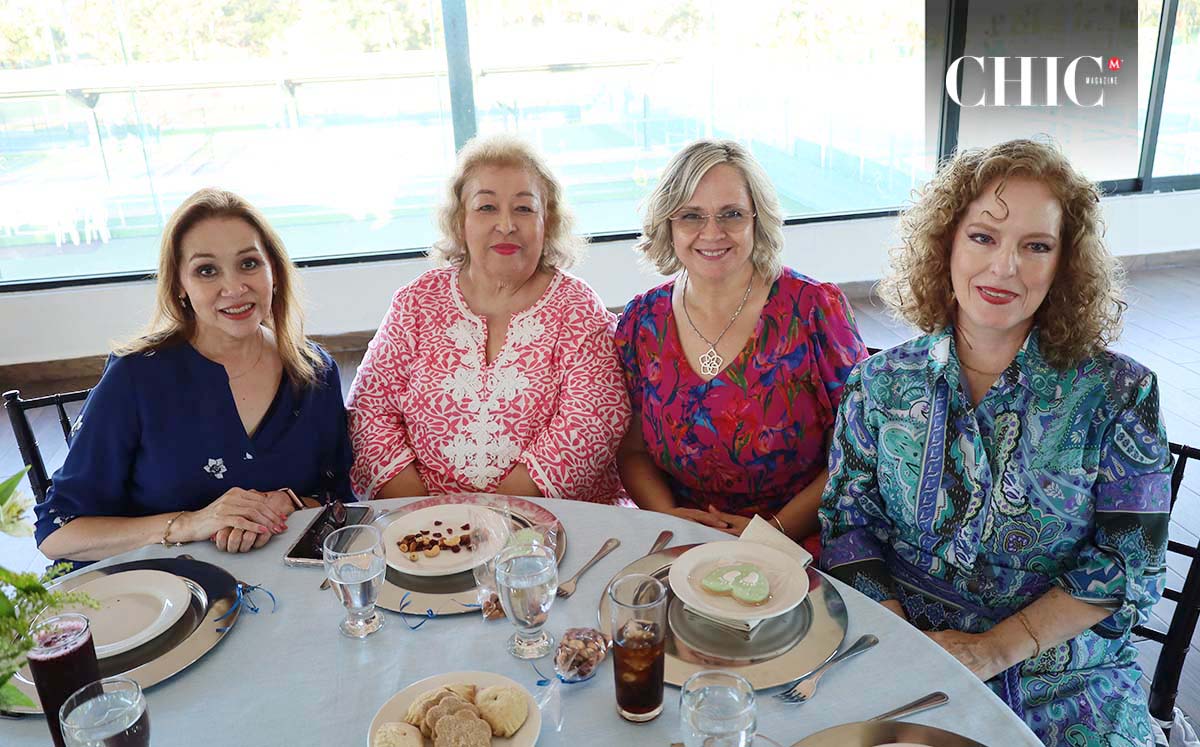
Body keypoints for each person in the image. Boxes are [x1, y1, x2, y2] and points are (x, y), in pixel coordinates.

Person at [819, 139, 1171, 746]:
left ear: (1064, 264)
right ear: (946, 244)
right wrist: (907, 646)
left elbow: (1126, 562)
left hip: (1061, 673)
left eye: (1036, 246)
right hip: (905, 646)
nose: (1005, 267)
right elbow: (849, 525)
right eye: (983, 237)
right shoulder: (879, 383)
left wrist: (992, 651)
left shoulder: (1120, 393)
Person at [35, 188, 354, 562]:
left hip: (288, 586)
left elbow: (339, 496)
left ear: (275, 273)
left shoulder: (314, 372)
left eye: (249, 263)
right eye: (207, 270)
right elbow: (57, 532)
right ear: (180, 287)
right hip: (162, 595)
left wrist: (289, 502)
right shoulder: (136, 377)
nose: (234, 288)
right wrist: (190, 524)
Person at [347, 134, 629, 503]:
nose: (507, 224)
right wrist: (424, 514)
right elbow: (369, 410)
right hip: (424, 528)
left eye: (525, 209)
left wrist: (492, 517)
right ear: (460, 222)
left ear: (549, 222)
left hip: (553, 523)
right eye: (486, 208)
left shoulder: (577, 307)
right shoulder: (416, 302)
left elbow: (594, 419)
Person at [615, 139, 866, 547]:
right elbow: (632, 451)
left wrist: (773, 533)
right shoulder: (642, 322)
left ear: (757, 220)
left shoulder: (814, 309)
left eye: (731, 214)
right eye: (691, 215)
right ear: (669, 225)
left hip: (797, 536)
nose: (712, 233)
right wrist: (669, 519)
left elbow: (859, 451)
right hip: (684, 537)